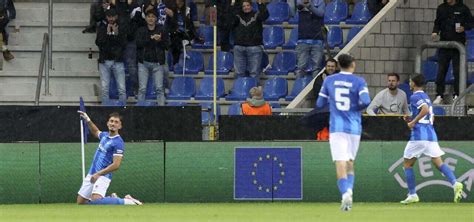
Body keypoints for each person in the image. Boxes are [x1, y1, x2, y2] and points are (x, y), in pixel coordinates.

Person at [316, 53, 371, 211]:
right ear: (352, 64)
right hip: (354, 127)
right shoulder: (359, 81)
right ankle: (350, 191)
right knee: (350, 161)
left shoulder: (329, 80)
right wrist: (354, 108)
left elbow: (319, 103)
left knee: (340, 161)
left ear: (338, 65)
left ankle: (345, 193)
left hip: (337, 127)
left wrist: (332, 101)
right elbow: (366, 101)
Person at [399, 74, 464, 204]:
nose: (410, 84)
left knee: (407, 164)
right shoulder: (427, 97)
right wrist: (411, 118)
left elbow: (424, 109)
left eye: (410, 82)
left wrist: (413, 123)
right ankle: (455, 183)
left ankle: (412, 194)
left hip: (419, 136)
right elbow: (430, 116)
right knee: (439, 163)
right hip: (431, 135)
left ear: (413, 83)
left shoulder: (415, 96)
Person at [76, 111, 142, 205]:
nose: (113, 124)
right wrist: (87, 119)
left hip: (103, 175)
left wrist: (99, 174)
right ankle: (111, 198)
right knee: (80, 202)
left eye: (116, 122)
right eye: (111, 121)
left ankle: (128, 201)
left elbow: (116, 165)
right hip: (92, 173)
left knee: (96, 200)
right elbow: (95, 131)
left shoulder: (118, 142)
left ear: (120, 126)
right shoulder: (104, 136)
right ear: (107, 123)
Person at [432, 0, 472, 104]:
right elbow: (437, 22)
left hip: (458, 44)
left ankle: (457, 94)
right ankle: (439, 94)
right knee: (441, 70)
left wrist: (464, 28)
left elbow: (471, 22)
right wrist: (435, 32)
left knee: (457, 71)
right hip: (444, 44)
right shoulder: (441, 8)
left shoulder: (463, 8)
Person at [135, 9, 169, 105]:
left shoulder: (162, 30)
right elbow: (138, 44)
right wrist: (150, 39)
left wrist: (159, 40)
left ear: (156, 19)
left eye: (153, 17)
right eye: (148, 16)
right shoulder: (141, 30)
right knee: (142, 89)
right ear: (145, 18)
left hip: (158, 64)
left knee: (159, 88)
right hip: (143, 63)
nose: (150, 18)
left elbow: (167, 45)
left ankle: (161, 111)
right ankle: (140, 113)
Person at [96, 9, 128, 103]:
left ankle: (123, 109)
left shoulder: (121, 28)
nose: (111, 18)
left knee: (122, 89)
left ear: (116, 17)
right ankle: (105, 108)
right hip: (104, 61)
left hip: (117, 60)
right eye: (109, 16)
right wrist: (108, 34)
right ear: (106, 17)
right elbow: (98, 43)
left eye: (113, 16)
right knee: (104, 89)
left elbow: (123, 44)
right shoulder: (102, 28)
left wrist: (115, 34)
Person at [230, 0, 269, 80]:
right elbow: (230, 21)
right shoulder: (237, 16)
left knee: (254, 73)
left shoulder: (257, 14)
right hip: (239, 47)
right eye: (244, 6)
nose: (246, 7)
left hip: (254, 47)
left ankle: (253, 91)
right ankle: (240, 91)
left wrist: (260, 3)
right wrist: (233, 5)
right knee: (239, 73)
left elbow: (265, 15)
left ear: (251, 6)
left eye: (247, 5)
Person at [295, 0, 325, 78]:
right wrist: (307, 4)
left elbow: (320, 13)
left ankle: (314, 88)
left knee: (316, 67)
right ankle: (300, 89)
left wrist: (309, 5)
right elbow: (299, 5)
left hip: (317, 40)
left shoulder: (320, 2)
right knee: (300, 67)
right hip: (303, 39)